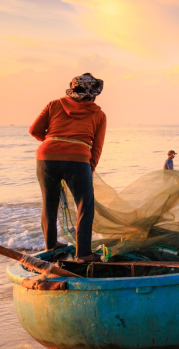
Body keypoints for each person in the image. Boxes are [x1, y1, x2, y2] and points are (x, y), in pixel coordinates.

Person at [28, 73, 106, 263]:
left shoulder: (54, 104)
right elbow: (97, 147)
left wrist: (52, 142)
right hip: (78, 159)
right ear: (93, 94)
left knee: (49, 202)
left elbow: (34, 130)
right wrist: (90, 167)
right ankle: (83, 254)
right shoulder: (98, 114)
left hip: (46, 156)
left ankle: (50, 245)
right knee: (84, 206)